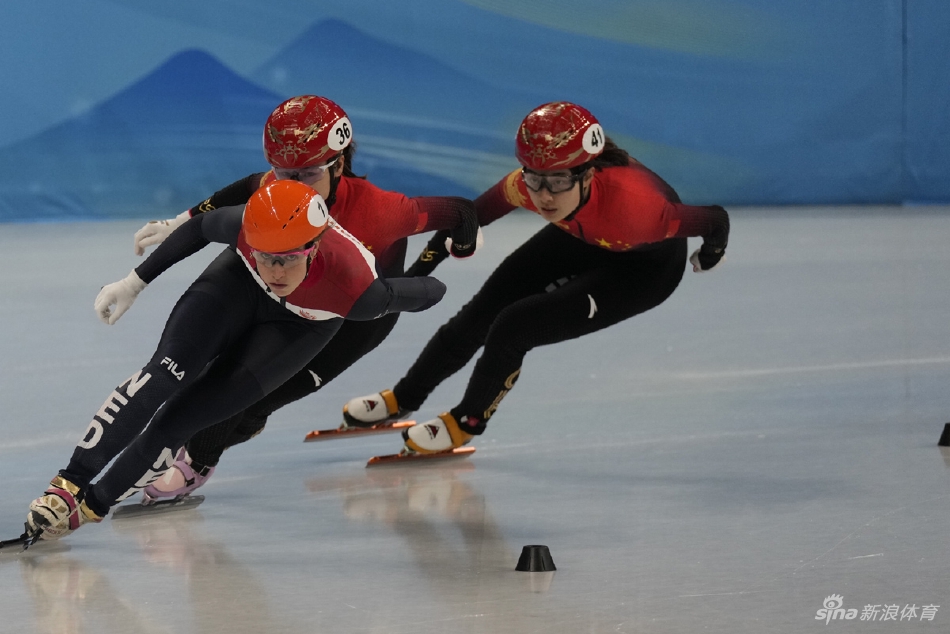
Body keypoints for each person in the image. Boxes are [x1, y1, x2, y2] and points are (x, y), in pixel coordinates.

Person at [25, 179, 447, 541]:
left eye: (286, 259)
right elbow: (198, 230)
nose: (274, 271)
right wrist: (134, 282)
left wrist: (438, 258)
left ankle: (90, 509)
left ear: (315, 247)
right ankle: (67, 486)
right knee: (162, 375)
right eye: (265, 255)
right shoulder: (245, 226)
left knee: (183, 420)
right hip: (235, 285)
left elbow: (426, 292)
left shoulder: (359, 290)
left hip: (302, 325)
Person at [128, 95, 478, 501]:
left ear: (339, 164)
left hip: (355, 314)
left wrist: (459, 246)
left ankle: (200, 460)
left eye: (308, 174)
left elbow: (461, 210)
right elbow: (248, 186)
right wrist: (182, 221)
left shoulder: (382, 211)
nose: (292, 186)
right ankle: (209, 437)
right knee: (222, 373)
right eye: (284, 173)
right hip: (289, 290)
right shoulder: (279, 187)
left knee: (254, 399)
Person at [343, 101, 730, 454]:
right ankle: (403, 398)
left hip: (644, 271)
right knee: (481, 312)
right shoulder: (526, 187)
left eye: (559, 181)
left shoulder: (642, 212)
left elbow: (715, 219)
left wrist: (711, 253)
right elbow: (464, 221)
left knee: (514, 327)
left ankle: (466, 422)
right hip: (581, 234)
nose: (544, 196)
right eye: (536, 179)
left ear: (588, 174)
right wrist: (411, 280)